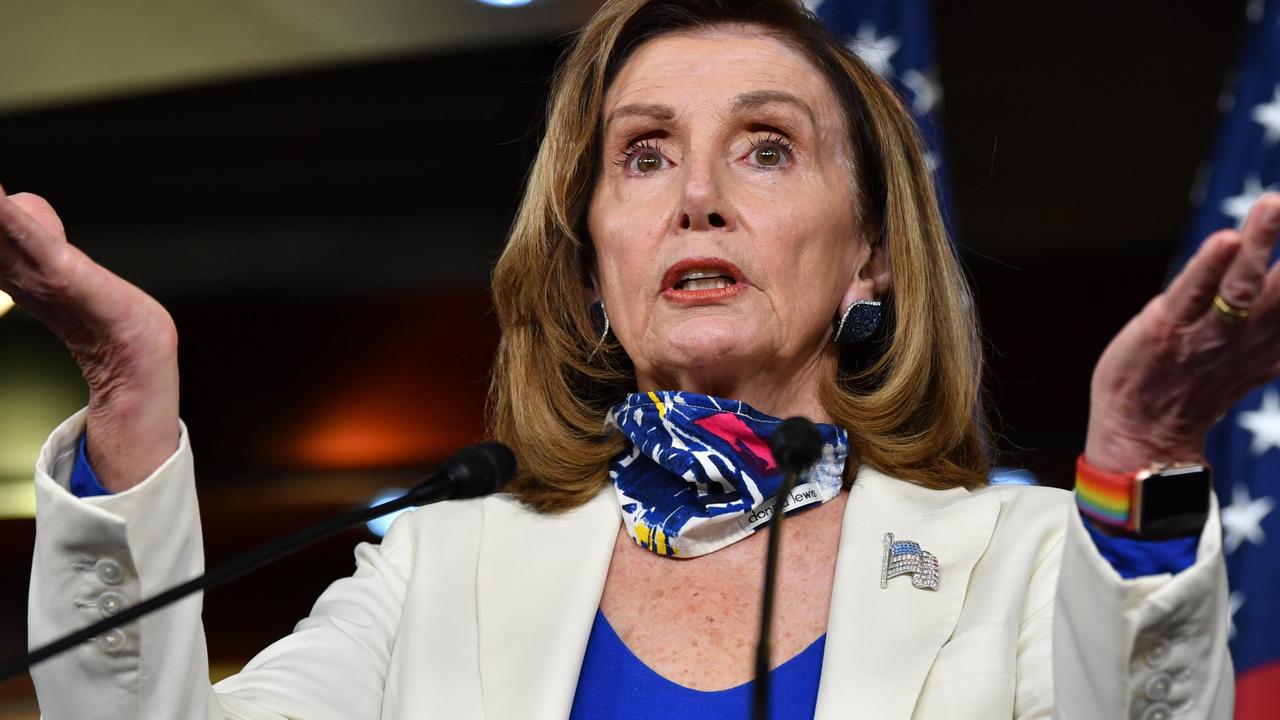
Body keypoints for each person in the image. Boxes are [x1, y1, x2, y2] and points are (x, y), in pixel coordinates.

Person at [4, 0, 1277, 717]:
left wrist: (1144, 460)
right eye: (644, 154)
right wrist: (128, 397)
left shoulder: (1033, 560)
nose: (698, 197)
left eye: (767, 147)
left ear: (872, 256)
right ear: (593, 263)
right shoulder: (440, 569)